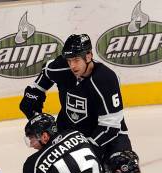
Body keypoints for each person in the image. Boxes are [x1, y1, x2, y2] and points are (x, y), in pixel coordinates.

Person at [19, 34, 130, 164]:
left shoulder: (106, 79)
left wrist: (85, 149)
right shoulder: (62, 67)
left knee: (124, 167)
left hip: (108, 136)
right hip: (71, 131)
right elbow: (46, 73)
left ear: (88, 56)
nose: (72, 66)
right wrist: (32, 100)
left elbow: (111, 126)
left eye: (76, 60)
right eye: (69, 60)